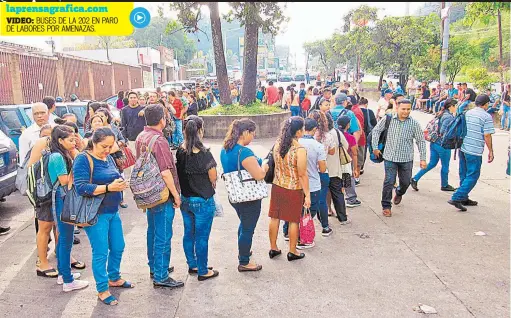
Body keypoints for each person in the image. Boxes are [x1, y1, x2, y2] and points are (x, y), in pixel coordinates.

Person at [74, 127, 133, 306]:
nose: (107, 150)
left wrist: (120, 184)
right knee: (100, 252)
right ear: (93, 142)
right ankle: (102, 289)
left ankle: (114, 277)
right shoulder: (83, 159)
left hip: (112, 211)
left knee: (118, 246)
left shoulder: (107, 158)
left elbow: (112, 177)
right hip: (95, 214)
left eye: (110, 146)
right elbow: (81, 187)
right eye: (103, 146)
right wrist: (109, 188)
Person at [135, 104, 184, 288]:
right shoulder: (159, 140)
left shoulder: (142, 136)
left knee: (153, 231)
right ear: (162, 119)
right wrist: (176, 195)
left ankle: (155, 267)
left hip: (148, 192)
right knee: (163, 234)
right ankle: (161, 275)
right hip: (162, 192)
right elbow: (165, 172)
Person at [220, 119, 267, 272]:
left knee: (244, 224)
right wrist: (265, 165)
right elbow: (259, 174)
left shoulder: (225, 149)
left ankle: (244, 250)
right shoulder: (244, 152)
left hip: (235, 195)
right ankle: (244, 261)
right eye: (252, 134)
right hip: (249, 196)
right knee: (248, 228)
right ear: (245, 132)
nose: (253, 137)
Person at [176, 115, 219, 281]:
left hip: (186, 199)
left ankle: (193, 264)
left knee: (189, 233)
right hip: (203, 200)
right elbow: (213, 177)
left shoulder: (180, 151)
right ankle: (203, 270)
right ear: (200, 130)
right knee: (202, 237)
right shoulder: (205, 153)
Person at [48, 125, 89, 291]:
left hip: (63, 198)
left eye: (75, 139)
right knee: (66, 239)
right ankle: (68, 280)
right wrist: (76, 161)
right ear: (60, 140)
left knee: (64, 239)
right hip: (62, 199)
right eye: (70, 140)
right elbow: (65, 181)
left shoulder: (60, 154)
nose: (74, 142)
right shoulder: (57, 157)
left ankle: (62, 274)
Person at [371, 99, 427, 217]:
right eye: (403, 109)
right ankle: (386, 206)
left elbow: (421, 141)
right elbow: (376, 131)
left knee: (406, 182)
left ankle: (400, 192)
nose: (406, 112)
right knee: (389, 181)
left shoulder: (414, 124)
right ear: (397, 108)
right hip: (390, 157)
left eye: (408, 109)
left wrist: (423, 158)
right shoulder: (388, 119)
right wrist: (375, 147)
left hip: (406, 159)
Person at [268, 117, 309, 261]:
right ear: (298, 131)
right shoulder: (300, 150)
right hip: (294, 188)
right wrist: (308, 195)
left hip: (277, 185)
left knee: (275, 217)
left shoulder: (277, 144)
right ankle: (292, 251)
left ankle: (273, 248)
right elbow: (302, 174)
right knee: (293, 220)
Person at [449, 95, 495, 211]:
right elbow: (487, 135)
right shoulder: (486, 116)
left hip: (463, 147)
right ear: (485, 104)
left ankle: (463, 197)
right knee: (473, 175)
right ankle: (457, 197)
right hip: (474, 150)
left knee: (464, 173)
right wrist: (491, 151)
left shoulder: (467, 113)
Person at [290, 118, 327, 249]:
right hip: (312, 184)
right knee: (309, 212)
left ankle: (288, 233)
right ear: (314, 130)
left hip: (294, 184)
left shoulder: (293, 143)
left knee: (294, 211)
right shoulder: (318, 146)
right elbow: (322, 169)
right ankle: (302, 239)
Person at [411, 99, 457, 192]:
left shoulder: (441, 113)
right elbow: (443, 132)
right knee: (445, 165)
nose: (456, 108)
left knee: (432, 163)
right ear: (451, 106)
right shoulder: (449, 117)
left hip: (434, 142)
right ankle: (444, 184)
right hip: (443, 144)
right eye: (455, 106)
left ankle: (415, 178)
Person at [308, 110, 334, 235]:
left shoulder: (305, 137)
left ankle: (298, 226)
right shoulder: (328, 136)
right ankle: (325, 226)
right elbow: (333, 151)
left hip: (307, 172)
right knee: (322, 200)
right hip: (322, 172)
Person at [337, 115, 361, 208]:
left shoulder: (335, 135)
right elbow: (354, 154)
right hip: (346, 162)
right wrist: (355, 168)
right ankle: (351, 199)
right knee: (349, 178)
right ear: (348, 125)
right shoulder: (350, 137)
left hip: (335, 161)